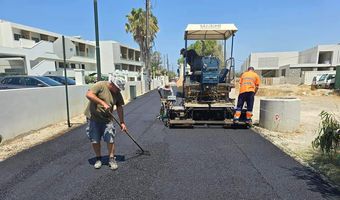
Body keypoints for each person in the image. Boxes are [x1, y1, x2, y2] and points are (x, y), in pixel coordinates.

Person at [84, 77, 127, 170]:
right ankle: (98, 158)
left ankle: (111, 159)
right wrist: (102, 102)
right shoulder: (100, 85)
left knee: (110, 139)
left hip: (107, 119)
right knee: (95, 140)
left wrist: (122, 122)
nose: (119, 90)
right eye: (118, 88)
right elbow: (88, 94)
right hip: (93, 118)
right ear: (112, 84)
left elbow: (119, 107)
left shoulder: (117, 93)